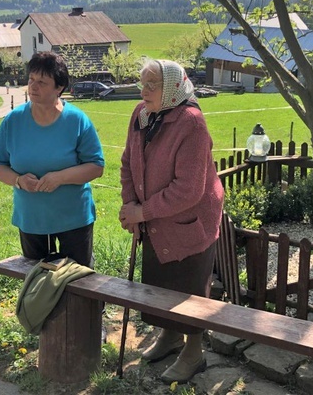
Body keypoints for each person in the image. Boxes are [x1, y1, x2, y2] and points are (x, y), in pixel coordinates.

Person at [119, 59, 224, 384]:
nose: (144, 90)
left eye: (153, 84)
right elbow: (127, 163)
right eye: (142, 83)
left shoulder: (191, 123)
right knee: (161, 282)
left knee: (189, 289)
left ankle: (193, 352)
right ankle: (169, 337)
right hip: (154, 218)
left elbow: (189, 190)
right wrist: (129, 205)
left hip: (190, 221)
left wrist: (143, 211)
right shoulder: (141, 114)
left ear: (173, 87)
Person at [0, 51, 104, 266]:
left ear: (59, 88)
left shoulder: (77, 120)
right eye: (31, 79)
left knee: (80, 284)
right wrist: (18, 180)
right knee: (37, 287)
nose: (33, 86)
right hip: (32, 219)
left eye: (42, 82)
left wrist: (59, 178)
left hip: (74, 218)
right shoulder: (13, 121)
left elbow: (96, 166)